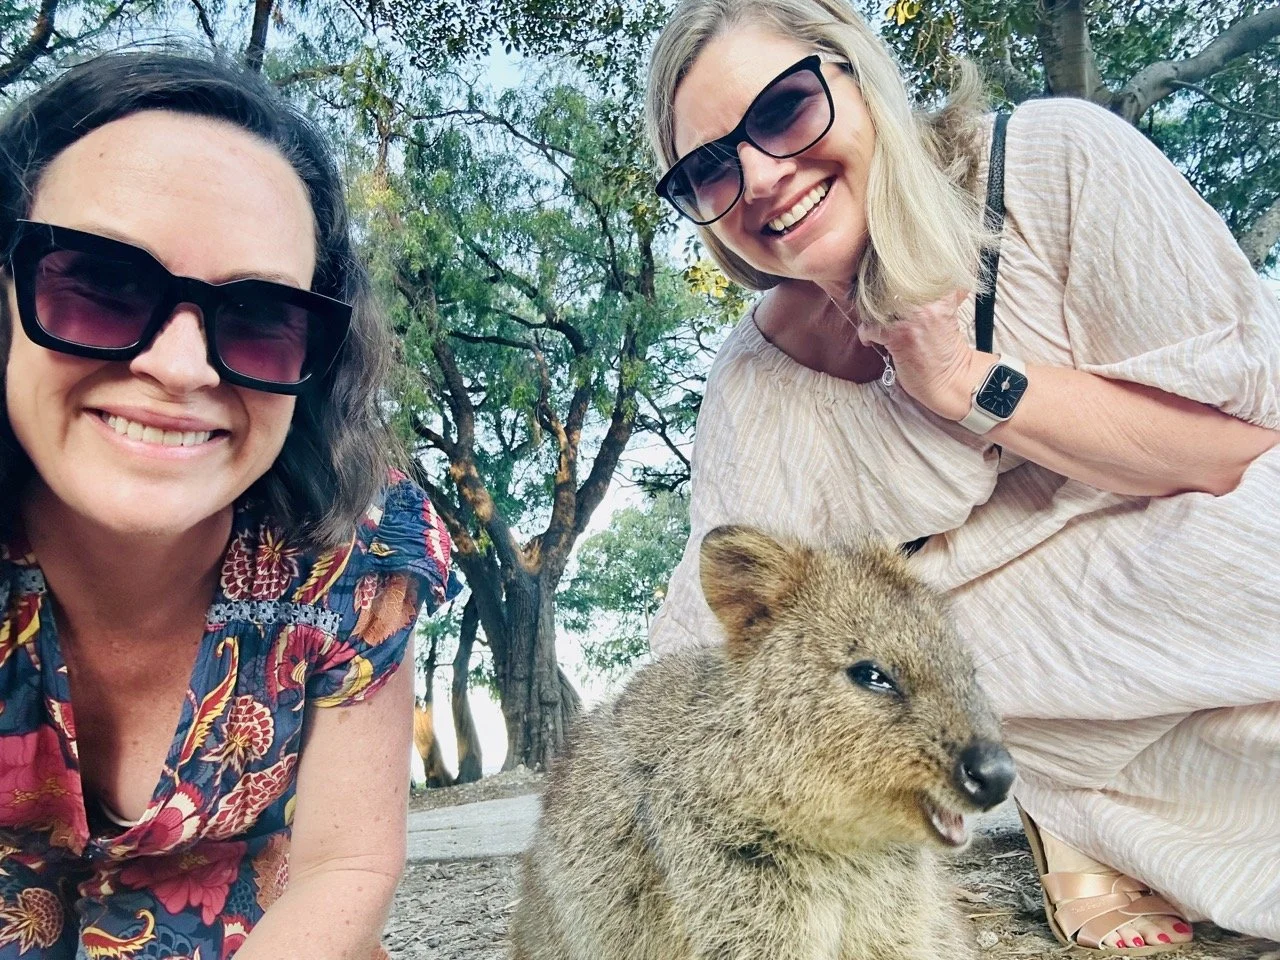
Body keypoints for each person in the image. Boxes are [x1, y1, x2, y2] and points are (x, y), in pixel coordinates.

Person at [644, 0, 1280, 953]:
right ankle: (1070, 801)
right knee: (890, 675)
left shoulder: (1055, 162)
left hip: (1185, 554)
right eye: (710, 168)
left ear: (859, 76)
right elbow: (721, 633)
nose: (762, 178)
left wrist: (969, 383)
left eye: (781, 111)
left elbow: (1240, 448)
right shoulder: (757, 377)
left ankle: (1086, 808)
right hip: (996, 643)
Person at [0, 52, 458, 959]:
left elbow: (348, 867)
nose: (180, 367)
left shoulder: (358, 555)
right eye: (97, 283)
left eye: (259, 316)